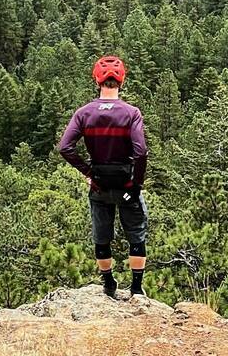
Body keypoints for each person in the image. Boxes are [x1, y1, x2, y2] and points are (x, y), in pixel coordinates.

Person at [58, 55, 149, 299]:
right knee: (136, 234)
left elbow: (65, 147)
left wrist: (89, 172)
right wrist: (136, 184)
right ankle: (137, 289)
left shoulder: (84, 113)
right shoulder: (131, 113)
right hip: (126, 184)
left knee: (102, 236)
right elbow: (140, 152)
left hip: (99, 184)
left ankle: (108, 284)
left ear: (97, 80)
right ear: (122, 80)